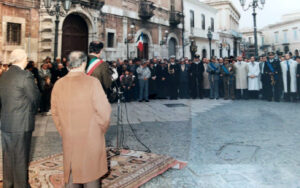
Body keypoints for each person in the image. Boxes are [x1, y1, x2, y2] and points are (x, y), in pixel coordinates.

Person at [51, 51, 111, 187]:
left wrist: (64, 132)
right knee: (91, 175)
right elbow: (104, 113)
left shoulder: (59, 84)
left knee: (72, 175)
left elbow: (55, 114)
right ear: (84, 64)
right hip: (91, 138)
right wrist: (100, 131)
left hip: (69, 138)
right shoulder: (93, 83)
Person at [0, 49, 40, 188]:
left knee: (8, 157)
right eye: (27, 58)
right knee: (21, 158)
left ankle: (8, 184)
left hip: (6, 123)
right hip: (21, 123)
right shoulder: (25, 76)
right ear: (23, 59)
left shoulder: (4, 75)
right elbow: (35, 98)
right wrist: (33, 111)